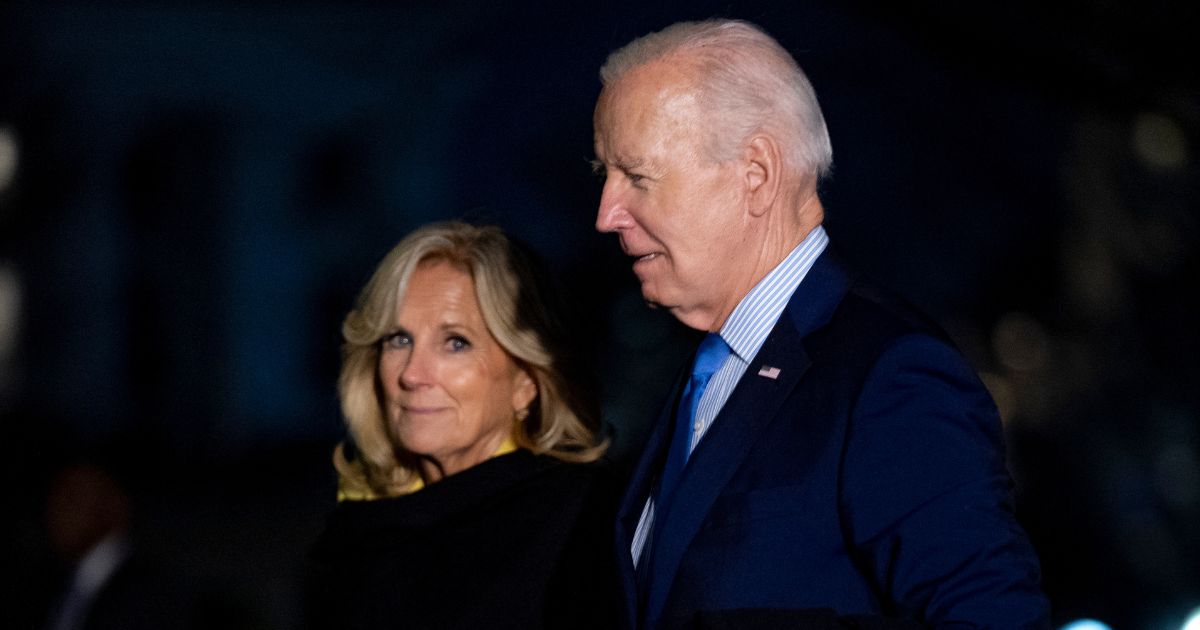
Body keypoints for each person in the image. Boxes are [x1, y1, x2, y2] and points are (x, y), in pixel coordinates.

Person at [591, 19, 1051, 629]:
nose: (606, 214)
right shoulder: (709, 372)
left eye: (637, 176)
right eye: (605, 176)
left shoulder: (889, 375)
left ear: (754, 173)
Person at [308, 221, 617, 630]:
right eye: (398, 339)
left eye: (455, 343)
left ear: (526, 380)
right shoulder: (358, 533)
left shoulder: (583, 525)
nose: (412, 375)